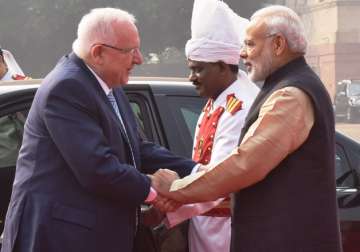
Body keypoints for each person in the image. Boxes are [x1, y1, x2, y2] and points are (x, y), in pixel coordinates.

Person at [0, 8, 196, 252]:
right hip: (59, 238)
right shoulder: (66, 87)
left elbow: (137, 149)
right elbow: (97, 168)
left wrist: (197, 172)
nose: (139, 59)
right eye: (130, 50)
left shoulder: (108, 83)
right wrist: (155, 188)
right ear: (98, 53)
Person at [153, 5, 342, 252]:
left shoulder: (290, 95)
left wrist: (176, 189)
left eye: (251, 44)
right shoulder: (284, 87)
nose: (242, 54)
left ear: (278, 45)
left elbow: (244, 165)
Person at [164, 1, 258, 251]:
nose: (191, 78)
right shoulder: (216, 100)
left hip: (226, 232)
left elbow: (221, 177)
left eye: (198, 70)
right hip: (205, 225)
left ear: (221, 66)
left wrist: (170, 199)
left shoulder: (240, 106)